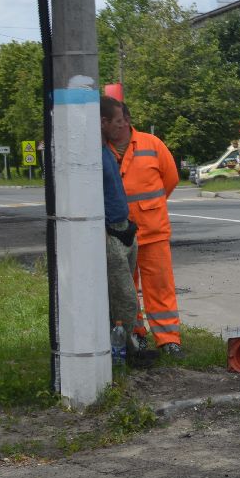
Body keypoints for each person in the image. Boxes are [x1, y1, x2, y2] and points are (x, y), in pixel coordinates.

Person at [101, 95, 182, 356]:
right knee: (126, 290)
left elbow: (170, 179)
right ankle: (137, 335)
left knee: (160, 287)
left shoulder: (151, 144)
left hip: (153, 230)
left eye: (120, 121)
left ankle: (169, 339)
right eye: (113, 122)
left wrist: (150, 207)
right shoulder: (101, 150)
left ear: (127, 120)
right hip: (120, 235)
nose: (118, 126)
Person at [100, 129, 144, 358]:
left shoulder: (108, 151)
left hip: (124, 227)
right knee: (126, 298)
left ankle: (123, 347)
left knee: (124, 296)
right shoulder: (95, 156)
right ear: (103, 122)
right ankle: (124, 349)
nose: (122, 126)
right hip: (110, 233)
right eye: (117, 121)